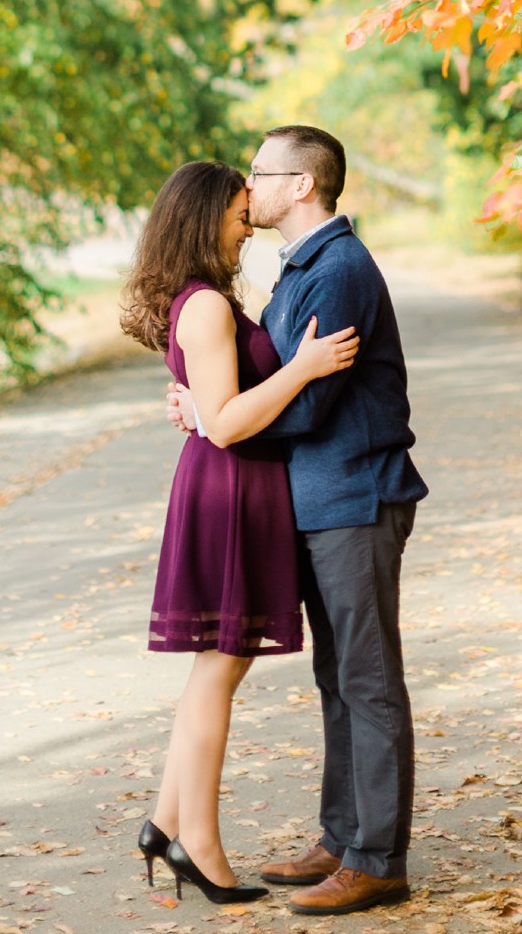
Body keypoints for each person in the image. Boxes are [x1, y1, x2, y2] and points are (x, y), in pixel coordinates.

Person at [169, 125, 428, 916]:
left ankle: (377, 859)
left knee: (368, 678)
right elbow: (267, 377)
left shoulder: (338, 268)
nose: (249, 187)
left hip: (356, 496)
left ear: (301, 186)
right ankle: (343, 835)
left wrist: (218, 419)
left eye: (260, 173)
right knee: (336, 677)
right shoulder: (300, 269)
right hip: (315, 503)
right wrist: (208, 406)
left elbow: (308, 402)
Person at [120, 159, 360, 907]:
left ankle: (165, 824)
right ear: (202, 221)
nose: (242, 226)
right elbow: (226, 423)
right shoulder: (206, 307)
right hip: (230, 490)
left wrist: (201, 401)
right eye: (233, 216)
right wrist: (305, 368)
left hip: (238, 487)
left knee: (216, 670)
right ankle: (201, 845)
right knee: (218, 671)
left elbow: (212, 404)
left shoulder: (204, 302)